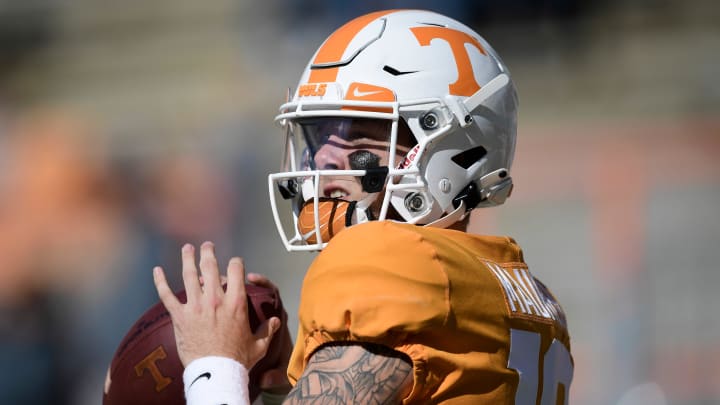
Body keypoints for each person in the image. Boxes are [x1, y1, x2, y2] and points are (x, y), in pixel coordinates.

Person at [154, 9, 574, 404]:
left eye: (361, 138)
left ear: (453, 152)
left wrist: (214, 367)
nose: (322, 161)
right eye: (318, 137)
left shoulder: (392, 266)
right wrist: (287, 382)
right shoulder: (529, 296)